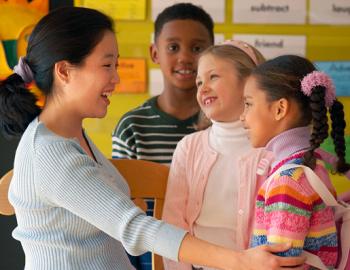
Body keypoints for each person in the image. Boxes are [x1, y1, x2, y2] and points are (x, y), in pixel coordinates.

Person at [0, 7, 305, 270]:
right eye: (107, 65)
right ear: (65, 71)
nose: (116, 78)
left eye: (116, 65)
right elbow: (133, 227)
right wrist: (240, 261)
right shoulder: (50, 153)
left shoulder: (72, 136)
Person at [162, 41, 306, 270]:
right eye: (199, 82)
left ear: (250, 81)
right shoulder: (188, 148)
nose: (202, 88)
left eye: (213, 77)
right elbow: (172, 226)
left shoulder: (274, 152)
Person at [240, 55, 350, 268]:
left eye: (248, 104)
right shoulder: (312, 165)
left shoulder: (287, 181)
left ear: (280, 109)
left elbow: (281, 263)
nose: (242, 116)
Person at [112, 3, 214, 165]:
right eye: (173, 47)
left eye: (196, 48)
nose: (184, 58)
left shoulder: (224, 121)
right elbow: (121, 189)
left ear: (212, 53)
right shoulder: (132, 127)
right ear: (155, 54)